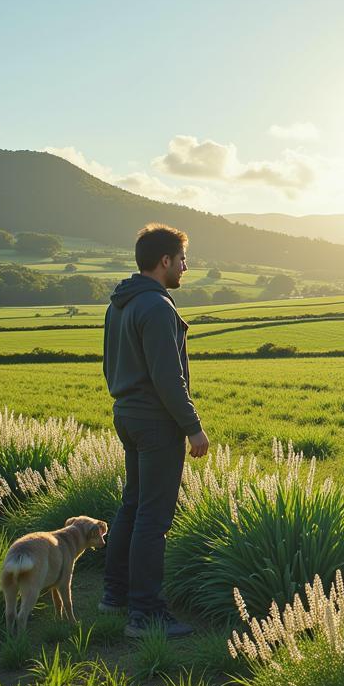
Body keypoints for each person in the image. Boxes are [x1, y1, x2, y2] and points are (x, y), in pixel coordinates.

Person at [101, 223, 210, 637]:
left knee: (132, 505)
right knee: (154, 517)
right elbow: (169, 378)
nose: (185, 266)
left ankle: (115, 595)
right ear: (165, 261)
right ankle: (145, 615)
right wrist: (193, 427)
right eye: (182, 259)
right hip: (156, 422)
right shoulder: (158, 308)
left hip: (127, 415)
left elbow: (109, 366)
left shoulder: (120, 304)